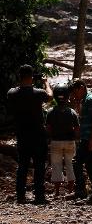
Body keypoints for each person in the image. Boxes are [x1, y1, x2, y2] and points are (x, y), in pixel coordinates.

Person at [7, 64, 53, 204]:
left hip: (22, 135)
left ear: (19, 77)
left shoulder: (12, 93)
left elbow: (15, 93)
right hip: (38, 135)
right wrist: (46, 83)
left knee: (23, 166)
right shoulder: (38, 93)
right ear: (32, 77)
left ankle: (20, 196)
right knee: (39, 166)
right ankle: (39, 195)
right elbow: (50, 96)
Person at [70, 79, 92, 205]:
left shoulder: (90, 99)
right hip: (88, 138)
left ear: (81, 88)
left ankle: (82, 190)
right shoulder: (85, 100)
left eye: (75, 92)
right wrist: (77, 103)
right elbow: (83, 116)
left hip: (91, 138)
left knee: (77, 162)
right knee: (90, 167)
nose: (74, 95)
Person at [46, 84, 79, 197]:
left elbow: (48, 128)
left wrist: (51, 137)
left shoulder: (50, 112)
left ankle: (56, 192)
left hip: (55, 142)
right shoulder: (72, 112)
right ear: (67, 96)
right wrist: (76, 138)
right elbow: (77, 128)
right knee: (70, 165)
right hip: (70, 142)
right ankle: (70, 191)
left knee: (56, 166)